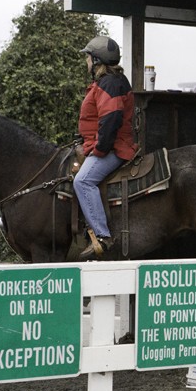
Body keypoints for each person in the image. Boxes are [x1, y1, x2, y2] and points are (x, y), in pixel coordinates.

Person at [75, 35, 138, 259]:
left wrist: (98, 150)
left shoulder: (109, 84)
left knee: (82, 181)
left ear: (97, 61)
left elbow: (110, 121)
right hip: (103, 143)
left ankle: (102, 236)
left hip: (114, 148)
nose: (86, 62)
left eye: (88, 58)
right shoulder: (108, 82)